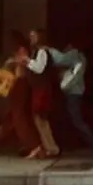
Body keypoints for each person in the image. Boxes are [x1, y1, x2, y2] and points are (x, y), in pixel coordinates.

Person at [32, 41, 93, 160]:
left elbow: (61, 60)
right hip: (71, 92)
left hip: (73, 93)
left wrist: (48, 50)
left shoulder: (76, 57)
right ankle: (72, 145)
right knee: (69, 119)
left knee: (77, 121)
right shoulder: (77, 59)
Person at [0, 31, 46, 159]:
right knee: (10, 117)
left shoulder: (22, 50)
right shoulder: (25, 49)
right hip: (18, 83)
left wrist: (12, 62)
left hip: (19, 84)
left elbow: (23, 63)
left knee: (17, 116)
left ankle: (35, 146)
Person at [24, 28, 61, 158]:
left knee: (41, 118)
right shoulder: (37, 51)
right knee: (39, 119)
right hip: (39, 88)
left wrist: (27, 61)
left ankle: (51, 147)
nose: (31, 38)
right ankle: (49, 147)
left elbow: (39, 68)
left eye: (33, 36)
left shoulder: (42, 52)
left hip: (42, 88)